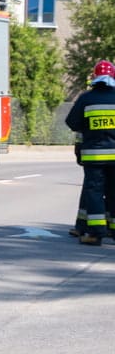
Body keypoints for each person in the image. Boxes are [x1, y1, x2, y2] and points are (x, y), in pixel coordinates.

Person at [65, 59, 115, 246]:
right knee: (113, 192)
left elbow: (72, 123)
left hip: (94, 156)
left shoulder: (86, 99)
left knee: (94, 192)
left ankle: (95, 233)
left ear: (95, 77)